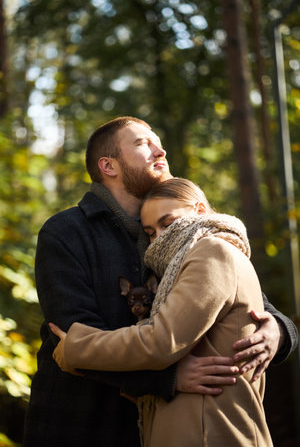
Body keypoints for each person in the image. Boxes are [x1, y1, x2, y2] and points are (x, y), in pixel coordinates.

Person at [23, 117, 298, 447]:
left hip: (167, 426)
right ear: (108, 165)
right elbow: (69, 336)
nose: (160, 149)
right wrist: (166, 378)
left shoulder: (186, 232)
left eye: (157, 140)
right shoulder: (66, 232)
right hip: (86, 425)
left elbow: (253, 303)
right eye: (142, 143)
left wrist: (279, 332)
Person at [50, 177, 277, 446]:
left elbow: (161, 341)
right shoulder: (185, 261)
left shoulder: (212, 251)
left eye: (167, 223)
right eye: (150, 232)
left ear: (200, 210)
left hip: (209, 431)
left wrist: (76, 347)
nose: (160, 237)